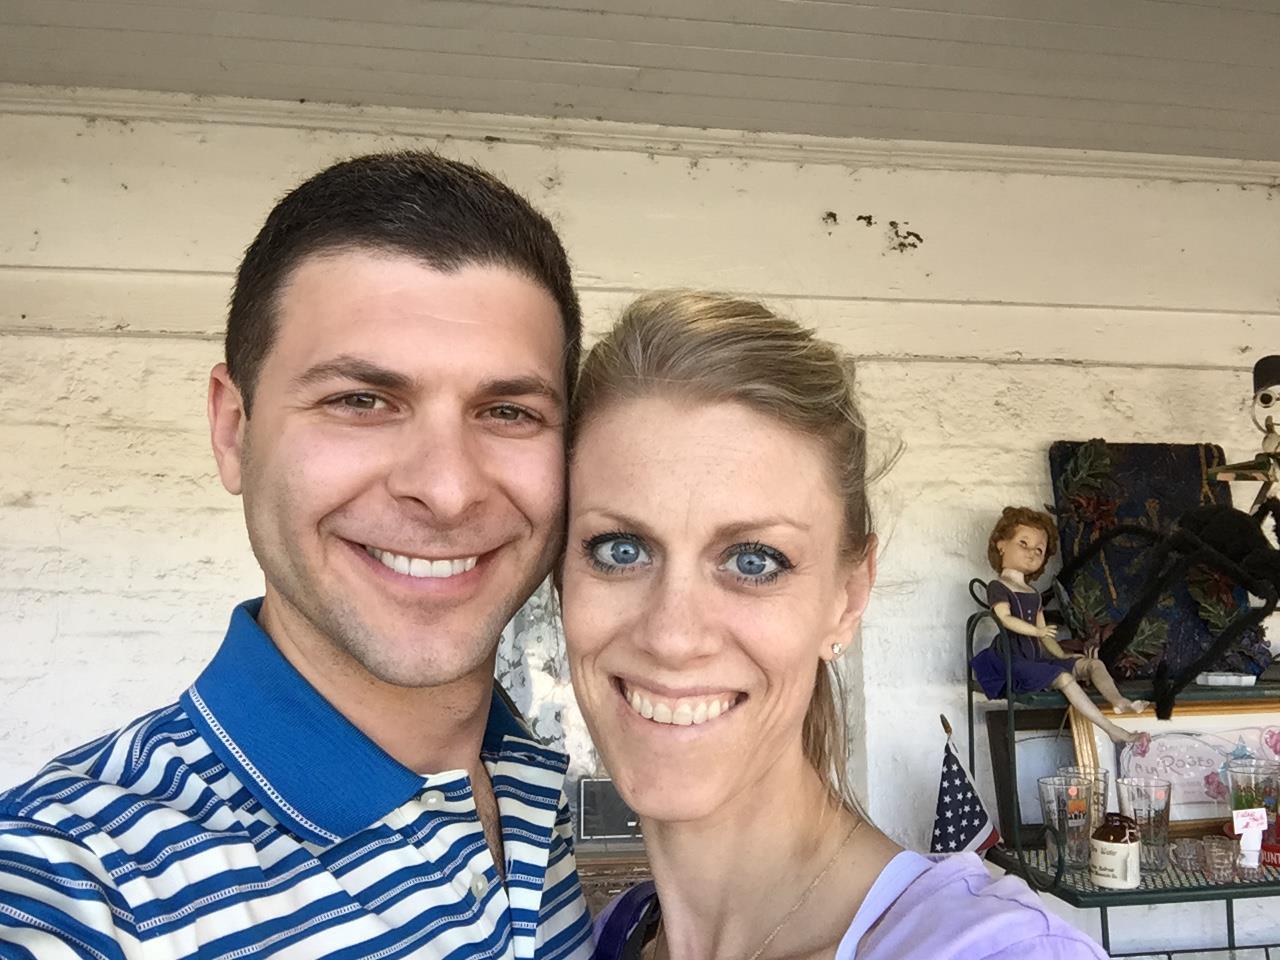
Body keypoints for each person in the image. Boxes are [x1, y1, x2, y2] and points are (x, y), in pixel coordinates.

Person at [0, 152, 593, 959]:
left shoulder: (536, 779)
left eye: (508, 411)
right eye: (362, 401)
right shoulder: (78, 885)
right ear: (233, 430)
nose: (448, 490)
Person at [559, 292, 1107, 960]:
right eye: (620, 549)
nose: (672, 636)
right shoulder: (597, 937)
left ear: (847, 598)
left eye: (753, 560)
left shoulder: (984, 949)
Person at [970, 506, 1145, 745]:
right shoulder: (998, 587)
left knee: (1092, 664)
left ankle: (1117, 701)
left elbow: (1046, 637)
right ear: (1001, 544)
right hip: (1013, 660)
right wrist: (1037, 631)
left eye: (1039, 550)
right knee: (1063, 677)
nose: (1031, 553)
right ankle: (1111, 729)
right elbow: (1005, 619)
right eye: (1023, 543)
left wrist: (1064, 654)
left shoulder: (1032, 593)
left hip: (1038, 658)